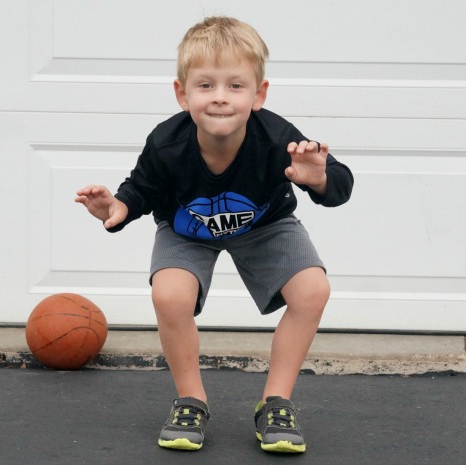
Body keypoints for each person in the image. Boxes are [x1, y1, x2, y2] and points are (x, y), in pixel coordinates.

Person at [75, 16, 353, 453]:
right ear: (182, 94)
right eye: (205, 86)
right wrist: (117, 208)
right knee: (169, 295)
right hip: (186, 227)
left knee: (312, 290)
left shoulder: (278, 138)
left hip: (265, 224)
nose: (220, 98)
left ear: (259, 94)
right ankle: (191, 401)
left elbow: (339, 185)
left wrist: (317, 178)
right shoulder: (166, 142)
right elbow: (141, 189)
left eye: (235, 86)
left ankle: (275, 403)